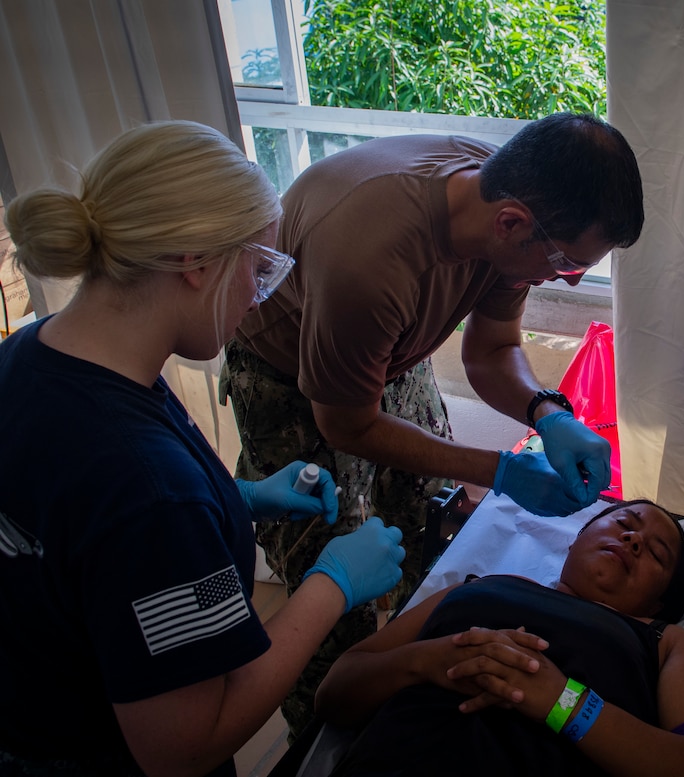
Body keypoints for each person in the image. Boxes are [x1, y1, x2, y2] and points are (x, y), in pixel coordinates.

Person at [0, 120, 407, 776]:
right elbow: (185, 744)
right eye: (259, 266)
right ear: (194, 262)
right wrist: (332, 584)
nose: (258, 295)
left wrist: (237, 496)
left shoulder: (35, 351)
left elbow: (76, 535)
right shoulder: (148, 491)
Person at [219, 111, 645, 737]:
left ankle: (401, 681)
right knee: (334, 594)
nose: (566, 277)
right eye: (566, 264)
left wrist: (548, 413)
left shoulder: (510, 202)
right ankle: (324, 732)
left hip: (389, 357)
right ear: (512, 223)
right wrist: (498, 471)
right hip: (295, 381)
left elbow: (493, 349)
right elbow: (346, 425)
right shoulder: (370, 259)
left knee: (426, 525)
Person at [313, 499, 684, 777]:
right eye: (624, 521)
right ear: (579, 538)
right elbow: (334, 693)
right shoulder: (479, 587)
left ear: (658, 605)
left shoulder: (663, 642)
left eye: (656, 553)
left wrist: (564, 703)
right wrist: (425, 660)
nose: (634, 538)